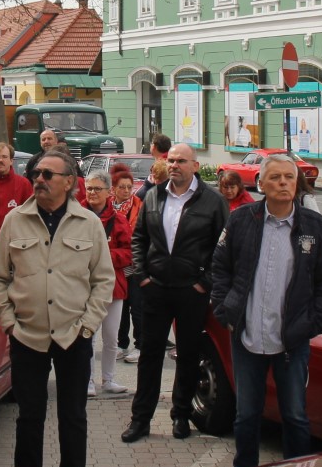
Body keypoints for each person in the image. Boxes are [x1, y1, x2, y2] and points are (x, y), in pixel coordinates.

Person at [0, 151, 112, 467]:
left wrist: (88, 325)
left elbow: (103, 280)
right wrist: (8, 322)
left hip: (74, 336)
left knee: (73, 416)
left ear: (69, 182)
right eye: (37, 173)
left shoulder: (90, 223)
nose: (39, 179)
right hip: (27, 336)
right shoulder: (16, 220)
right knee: (29, 416)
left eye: (48, 175)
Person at [211, 152, 322, 467]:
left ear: (297, 184)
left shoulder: (315, 227)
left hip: (291, 341)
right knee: (246, 415)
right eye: (276, 177)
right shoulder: (242, 220)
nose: (283, 183)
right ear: (261, 183)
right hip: (247, 335)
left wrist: (312, 322)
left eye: (289, 177)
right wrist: (225, 310)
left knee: (295, 416)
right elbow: (219, 267)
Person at [122, 143, 228, 443]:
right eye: (171, 160)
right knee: (150, 357)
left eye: (181, 161)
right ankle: (140, 420)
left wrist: (204, 282)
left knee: (188, 356)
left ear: (195, 166)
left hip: (191, 291)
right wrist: (142, 275)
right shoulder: (154, 195)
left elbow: (223, 247)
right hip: (155, 289)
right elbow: (139, 238)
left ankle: (181, 415)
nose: (174, 165)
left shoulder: (212, 201)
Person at [83, 173, 133, 399]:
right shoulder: (77, 217)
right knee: (88, 336)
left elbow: (130, 252)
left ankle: (109, 379)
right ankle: (88, 381)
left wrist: (103, 256)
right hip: (84, 287)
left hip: (113, 287)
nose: (92, 193)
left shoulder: (119, 220)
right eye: (89, 188)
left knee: (111, 337)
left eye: (97, 189)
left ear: (108, 192)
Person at [110, 166, 143, 362]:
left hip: (136, 265)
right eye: (121, 187)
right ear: (113, 188)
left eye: (129, 187)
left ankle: (140, 345)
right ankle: (122, 345)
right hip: (117, 267)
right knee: (119, 309)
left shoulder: (139, 205)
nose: (126, 191)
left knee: (137, 308)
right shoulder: (108, 207)